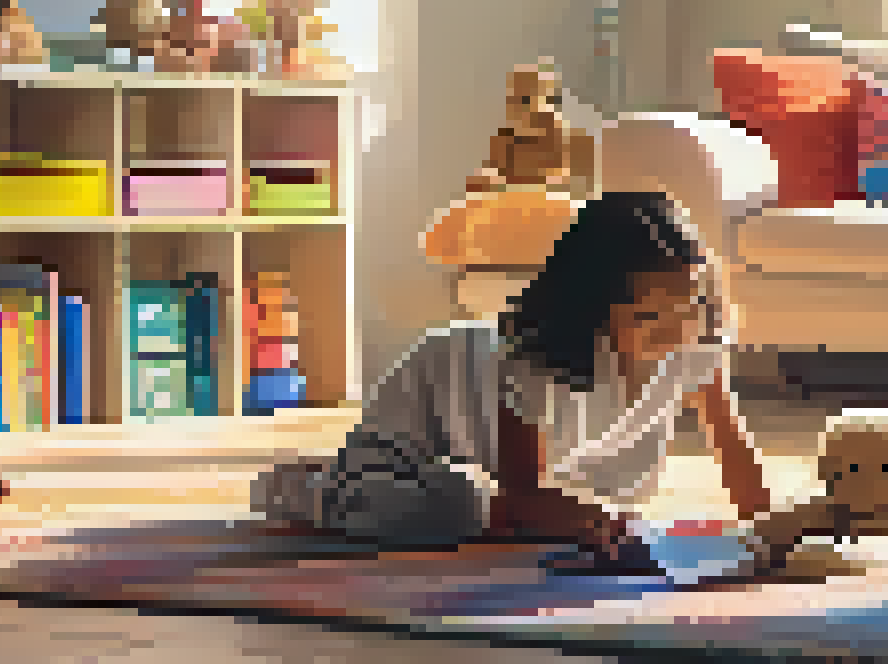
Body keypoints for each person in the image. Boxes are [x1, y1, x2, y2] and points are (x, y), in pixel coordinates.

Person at [252, 191, 771, 563]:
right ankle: (312, 487)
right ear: (591, 311)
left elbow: (731, 445)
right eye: (647, 319)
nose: (676, 333)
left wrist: (773, 531)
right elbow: (520, 494)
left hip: (480, 469)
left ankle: (353, 477)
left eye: (689, 309)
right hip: (412, 442)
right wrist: (570, 516)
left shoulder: (696, 342)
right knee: (460, 510)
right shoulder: (536, 366)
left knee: (555, 515)